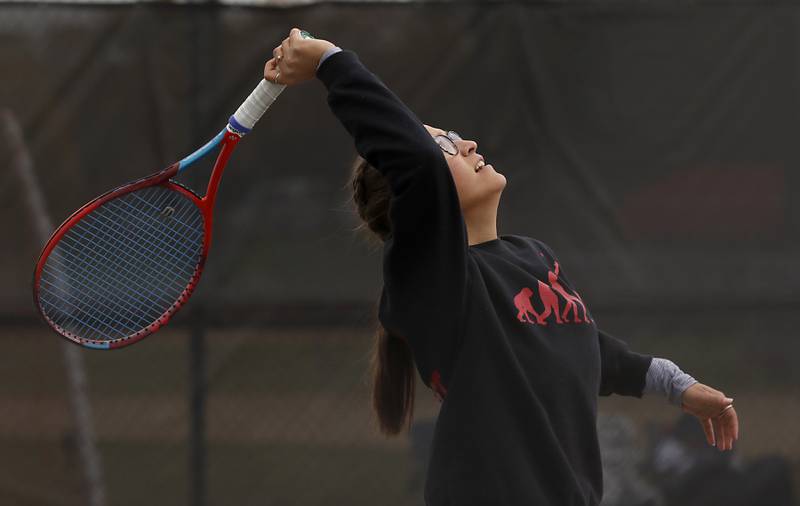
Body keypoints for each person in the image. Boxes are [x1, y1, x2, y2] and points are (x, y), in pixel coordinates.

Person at [266, 28, 740, 506]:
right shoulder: (429, 281)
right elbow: (415, 163)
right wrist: (329, 59)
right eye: (445, 145)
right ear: (414, 191)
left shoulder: (532, 255)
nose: (468, 143)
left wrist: (677, 386)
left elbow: (579, 349)